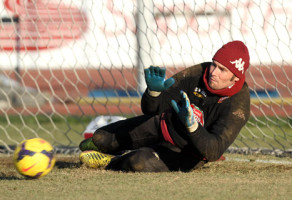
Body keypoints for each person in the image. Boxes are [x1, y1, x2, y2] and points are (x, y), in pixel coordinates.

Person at [79, 40, 251, 172]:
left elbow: (214, 151)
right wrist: (153, 93)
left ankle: (111, 161)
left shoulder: (238, 105)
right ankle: (108, 148)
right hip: (162, 126)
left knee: (137, 162)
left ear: (235, 77)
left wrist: (192, 126)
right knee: (99, 138)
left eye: (222, 70)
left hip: (186, 153)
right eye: (214, 64)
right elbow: (151, 110)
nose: (213, 72)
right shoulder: (198, 72)